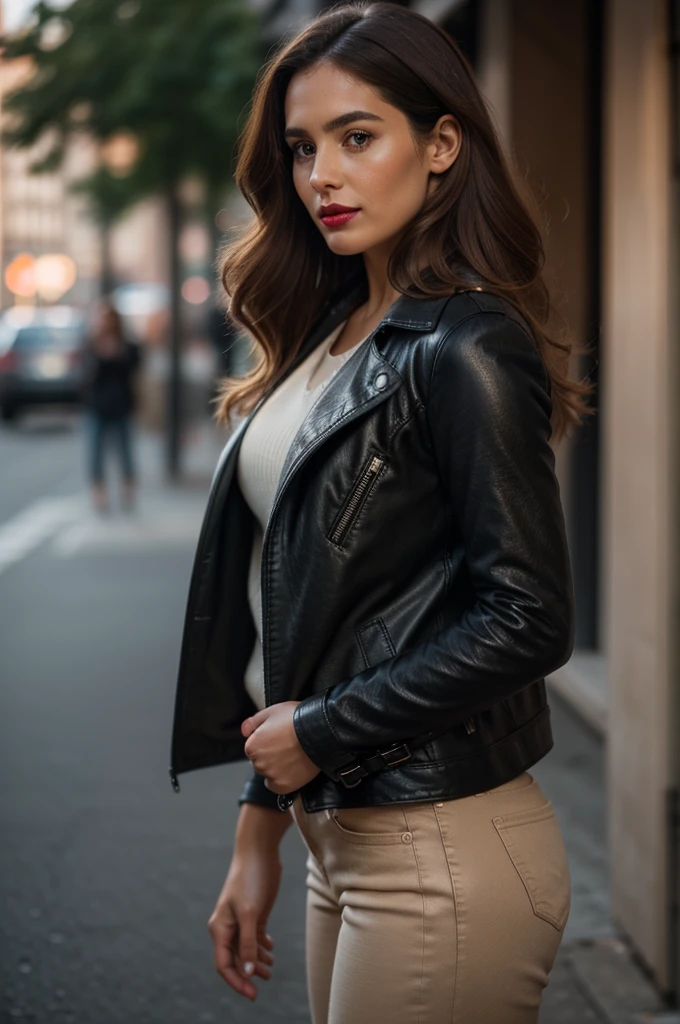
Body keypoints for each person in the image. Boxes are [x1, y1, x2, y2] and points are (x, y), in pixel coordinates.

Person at [168, 3, 594, 1021]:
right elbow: (322, 608)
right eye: (302, 148)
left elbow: (528, 616)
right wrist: (258, 831)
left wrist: (321, 727)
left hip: (440, 846)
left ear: (440, 142)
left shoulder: (463, 346)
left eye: (357, 137)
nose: (321, 175)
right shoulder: (328, 337)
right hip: (339, 834)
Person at [80, 299, 141, 514]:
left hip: (121, 405)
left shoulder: (127, 344)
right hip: (97, 406)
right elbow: (85, 375)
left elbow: (135, 365)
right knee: (96, 453)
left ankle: (128, 489)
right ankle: (99, 493)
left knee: (125, 452)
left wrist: (117, 354)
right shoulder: (91, 344)